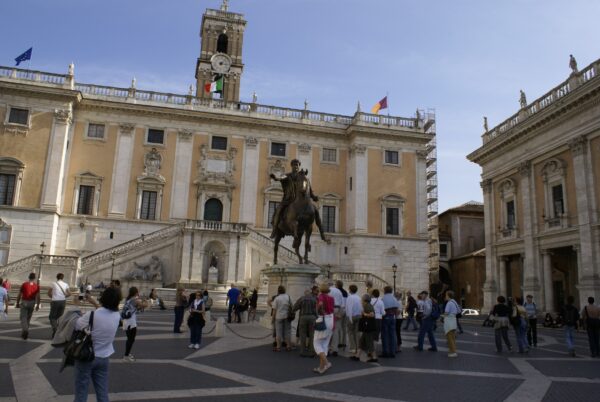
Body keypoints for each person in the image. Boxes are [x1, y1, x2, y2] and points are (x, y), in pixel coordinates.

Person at [73, 286, 121, 402]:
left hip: (87, 356)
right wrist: (94, 302)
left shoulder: (91, 315)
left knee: (81, 392)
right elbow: (104, 312)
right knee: (102, 393)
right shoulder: (117, 316)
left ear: (103, 298)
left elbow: (77, 325)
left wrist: (76, 306)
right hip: (104, 358)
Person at [269, 159, 319, 239]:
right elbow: (281, 178)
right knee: (278, 210)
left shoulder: (303, 177)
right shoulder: (287, 175)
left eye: (297, 165)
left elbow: (308, 189)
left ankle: (316, 229)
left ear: (299, 167)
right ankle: (275, 229)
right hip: (289, 199)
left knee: (313, 210)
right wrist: (275, 178)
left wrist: (313, 196)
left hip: (300, 200)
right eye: (294, 165)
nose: (296, 166)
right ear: (291, 166)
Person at [313, 283, 334, 374]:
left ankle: (326, 363)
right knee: (325, 344)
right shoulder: (331, 298)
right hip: (331, 319)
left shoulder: (321, 296)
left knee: (317, 343)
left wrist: (318, 310)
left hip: (323, 318)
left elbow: (320, 304)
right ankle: (321, 368)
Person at [122, 287, 148, 362]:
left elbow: (136, 309)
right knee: (131, 339)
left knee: (129, 339)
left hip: (126, 322)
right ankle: (126, 356)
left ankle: (127, 353)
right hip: (131, 322)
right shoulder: (135, 300)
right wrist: (146, 301)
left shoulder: (128, 299)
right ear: (136, 292)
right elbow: (144, 305)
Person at [351, 294, 378, 363]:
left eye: (362, 299)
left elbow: (372, 314)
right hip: (367, 327)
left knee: (369, 342)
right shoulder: (367, 305)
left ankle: (374, 357)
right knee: (362, 342)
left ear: (364, 300)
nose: (361, 300)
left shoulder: (367, 306)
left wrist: (364, 314)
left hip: (368, 327)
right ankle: (357, 356)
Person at [294, 285, 318, 357]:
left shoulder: (302, 298)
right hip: (312, 317)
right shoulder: (314, 299)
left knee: (303, 334)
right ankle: (312, 351)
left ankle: (303, 351)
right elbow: (316, 309)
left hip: (303, 317)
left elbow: (295, 307)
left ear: (305, 293)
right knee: (312, 335)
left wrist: (292, 311)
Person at [16, 272, 40, 340]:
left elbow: (19, 294)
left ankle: (25, 330)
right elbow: (38, 296)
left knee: (23, 317)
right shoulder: (36, 286)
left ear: (29, 277)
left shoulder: (24, 284)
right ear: (34, 278)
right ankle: (24, 332)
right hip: (32, 302)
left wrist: (17, 303)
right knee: (28, 318)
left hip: (25, 302)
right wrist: (38, 305)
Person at [48, 273, 72, 338]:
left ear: (57, 277)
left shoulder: (53, 283)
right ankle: (59, 331)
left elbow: (49, 293)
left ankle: (55, 329)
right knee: (60, 316)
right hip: (63, 301)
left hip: (55, 301)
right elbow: (69, 293)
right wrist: (63, 297)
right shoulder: (66, 284)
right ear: (63, 278)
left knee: (52, 317)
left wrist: (53, 297)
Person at [272, 285, 293, 351]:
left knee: (278, 332)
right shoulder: (288, 297)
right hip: (287, 316)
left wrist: (273, 319)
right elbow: (292, 306)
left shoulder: (277, 298)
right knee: (287, 332)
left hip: (278, 317)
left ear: (278, 291)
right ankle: (288, 346)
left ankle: (278, 347)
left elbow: (274, 310)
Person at [381, 286, 399, 358]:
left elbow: (382, 310)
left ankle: (386, 351)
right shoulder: (394, 298)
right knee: (392, 334)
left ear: (385, 291)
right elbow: (397, 310)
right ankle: (392, 351)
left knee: (385, 335)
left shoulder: (383, 298)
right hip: (393, 317)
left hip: (385, 317)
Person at [345, 284, 362, 354]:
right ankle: (358, 347)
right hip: (359, 315)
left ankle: (352, 347)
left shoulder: (349, 297)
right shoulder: (359, 297)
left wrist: (349, 317)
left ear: (350, 290)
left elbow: (349, 308)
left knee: (350, 332)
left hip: (352, 316)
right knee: (357, 332)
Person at [328, 281, 344, 357]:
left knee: (328, 329)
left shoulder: (328, 291)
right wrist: (340, 313)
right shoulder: (338, 291)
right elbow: (342, 304)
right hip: (337, 309)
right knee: (336, 330)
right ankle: (335, 349)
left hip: (329, 310)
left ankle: (327, 348)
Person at [443, 290, 460, 358]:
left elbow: (446, 312)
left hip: (449, 321)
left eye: (446, 295)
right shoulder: (454, 302)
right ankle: (452, 351)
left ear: (448, 296)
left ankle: (453, 352)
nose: (445, 296)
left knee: (449, 338)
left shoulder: (449, 303)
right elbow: (458, 311)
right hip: (453, 320)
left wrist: (443, 316)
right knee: (452, 338)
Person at [335, 280, 348, 351]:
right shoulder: (345, 292)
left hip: (340, 309)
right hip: (345, 310)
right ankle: (344, 342)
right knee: (344, 327)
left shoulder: (337, 292)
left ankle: (339, 342)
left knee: (338, 326)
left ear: (337, 285)